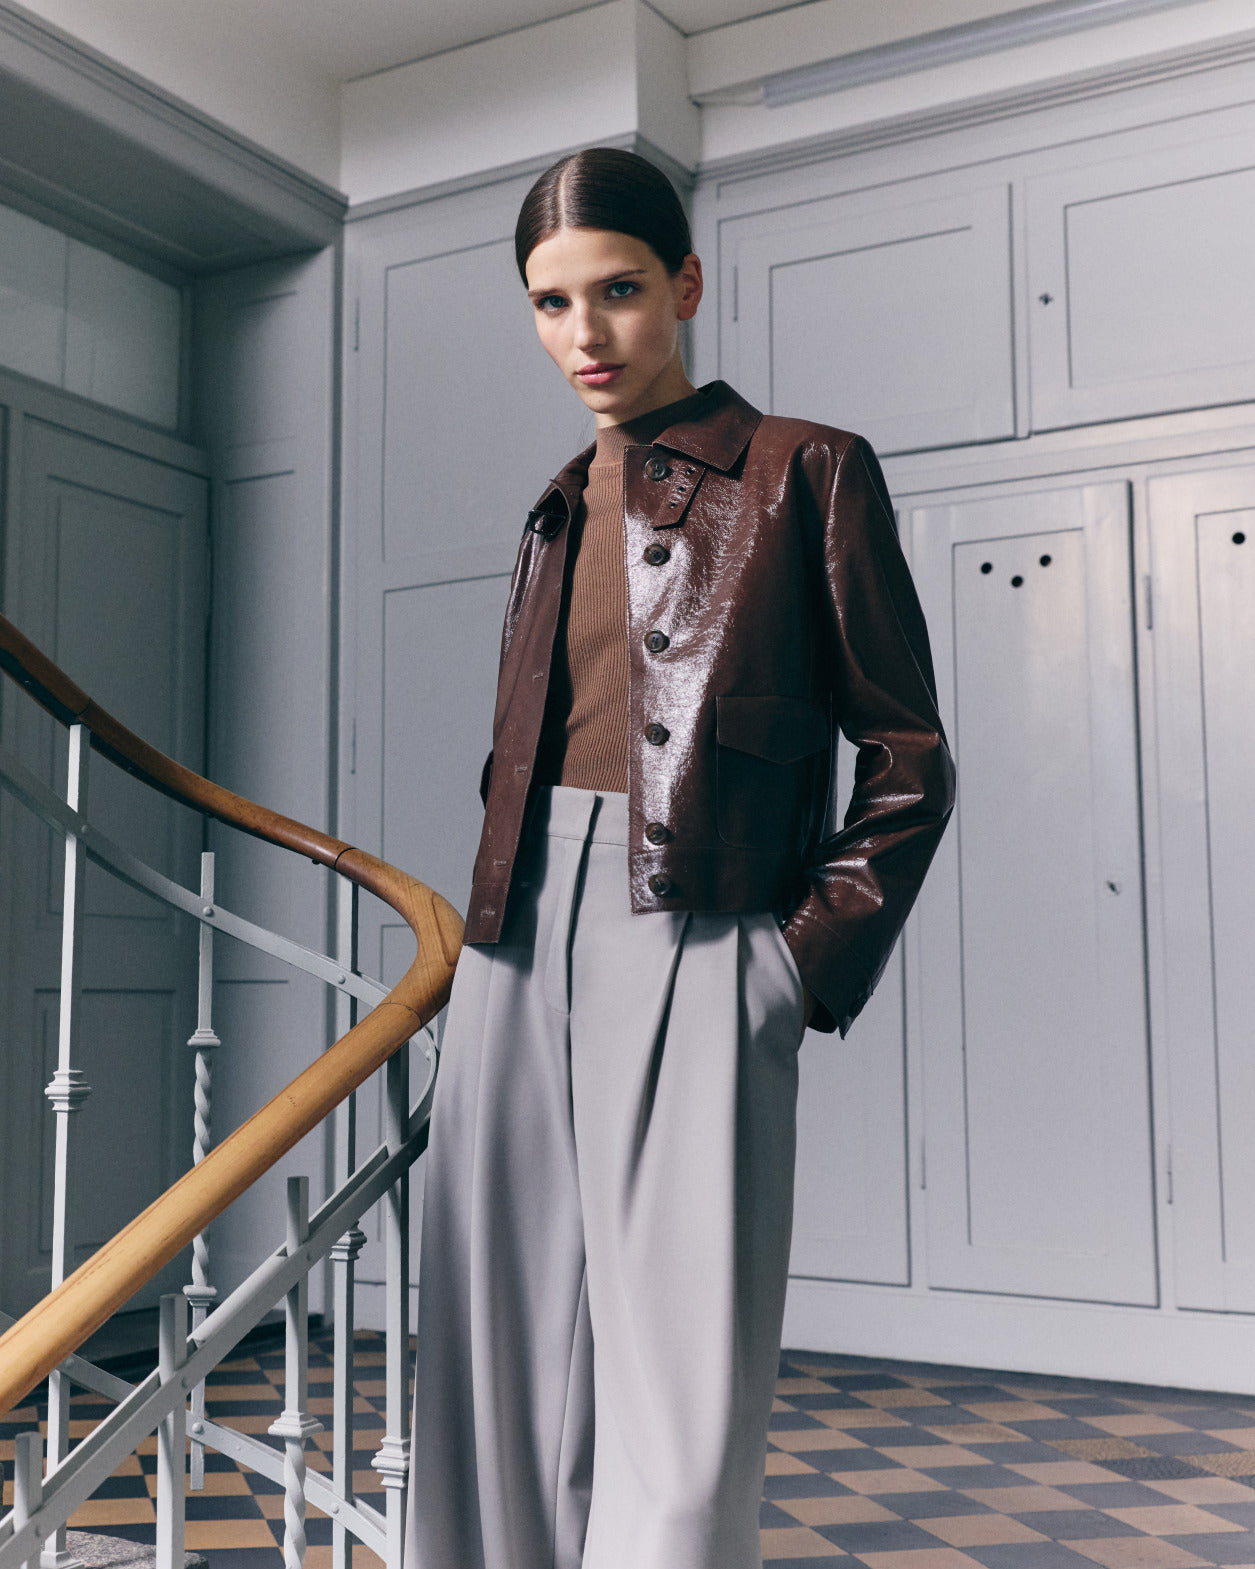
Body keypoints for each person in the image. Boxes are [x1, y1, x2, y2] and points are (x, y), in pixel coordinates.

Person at [404, 146, 955, 1569]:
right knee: (494, 1357)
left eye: (620, 290)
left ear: (686, 286)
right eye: (551, 303)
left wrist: (791, 966)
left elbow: (910, 756)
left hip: (700, 919)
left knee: (683, 1388)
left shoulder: (805, 470)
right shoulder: (554, 504)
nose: (584, 335)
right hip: (514, 928)